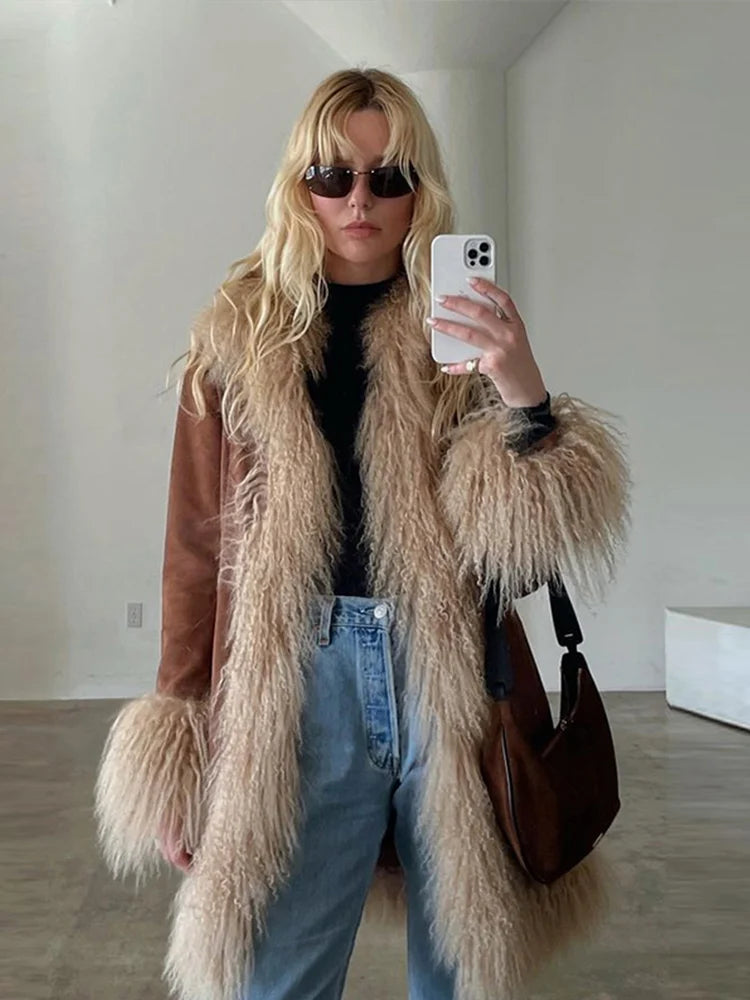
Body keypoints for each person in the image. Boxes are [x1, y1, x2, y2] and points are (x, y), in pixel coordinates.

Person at [94, 68, 631, 1000]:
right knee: (278, 977)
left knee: (460, 974)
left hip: (453, 676)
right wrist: (181, 739)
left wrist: (524, 395)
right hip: (298, 681)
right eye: (332, 175)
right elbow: (194, 552)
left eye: (389, 178)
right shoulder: (238, 341)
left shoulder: (459, 339)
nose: (359, 201)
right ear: (297, 185)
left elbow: (523, 555)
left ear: (420, 192)